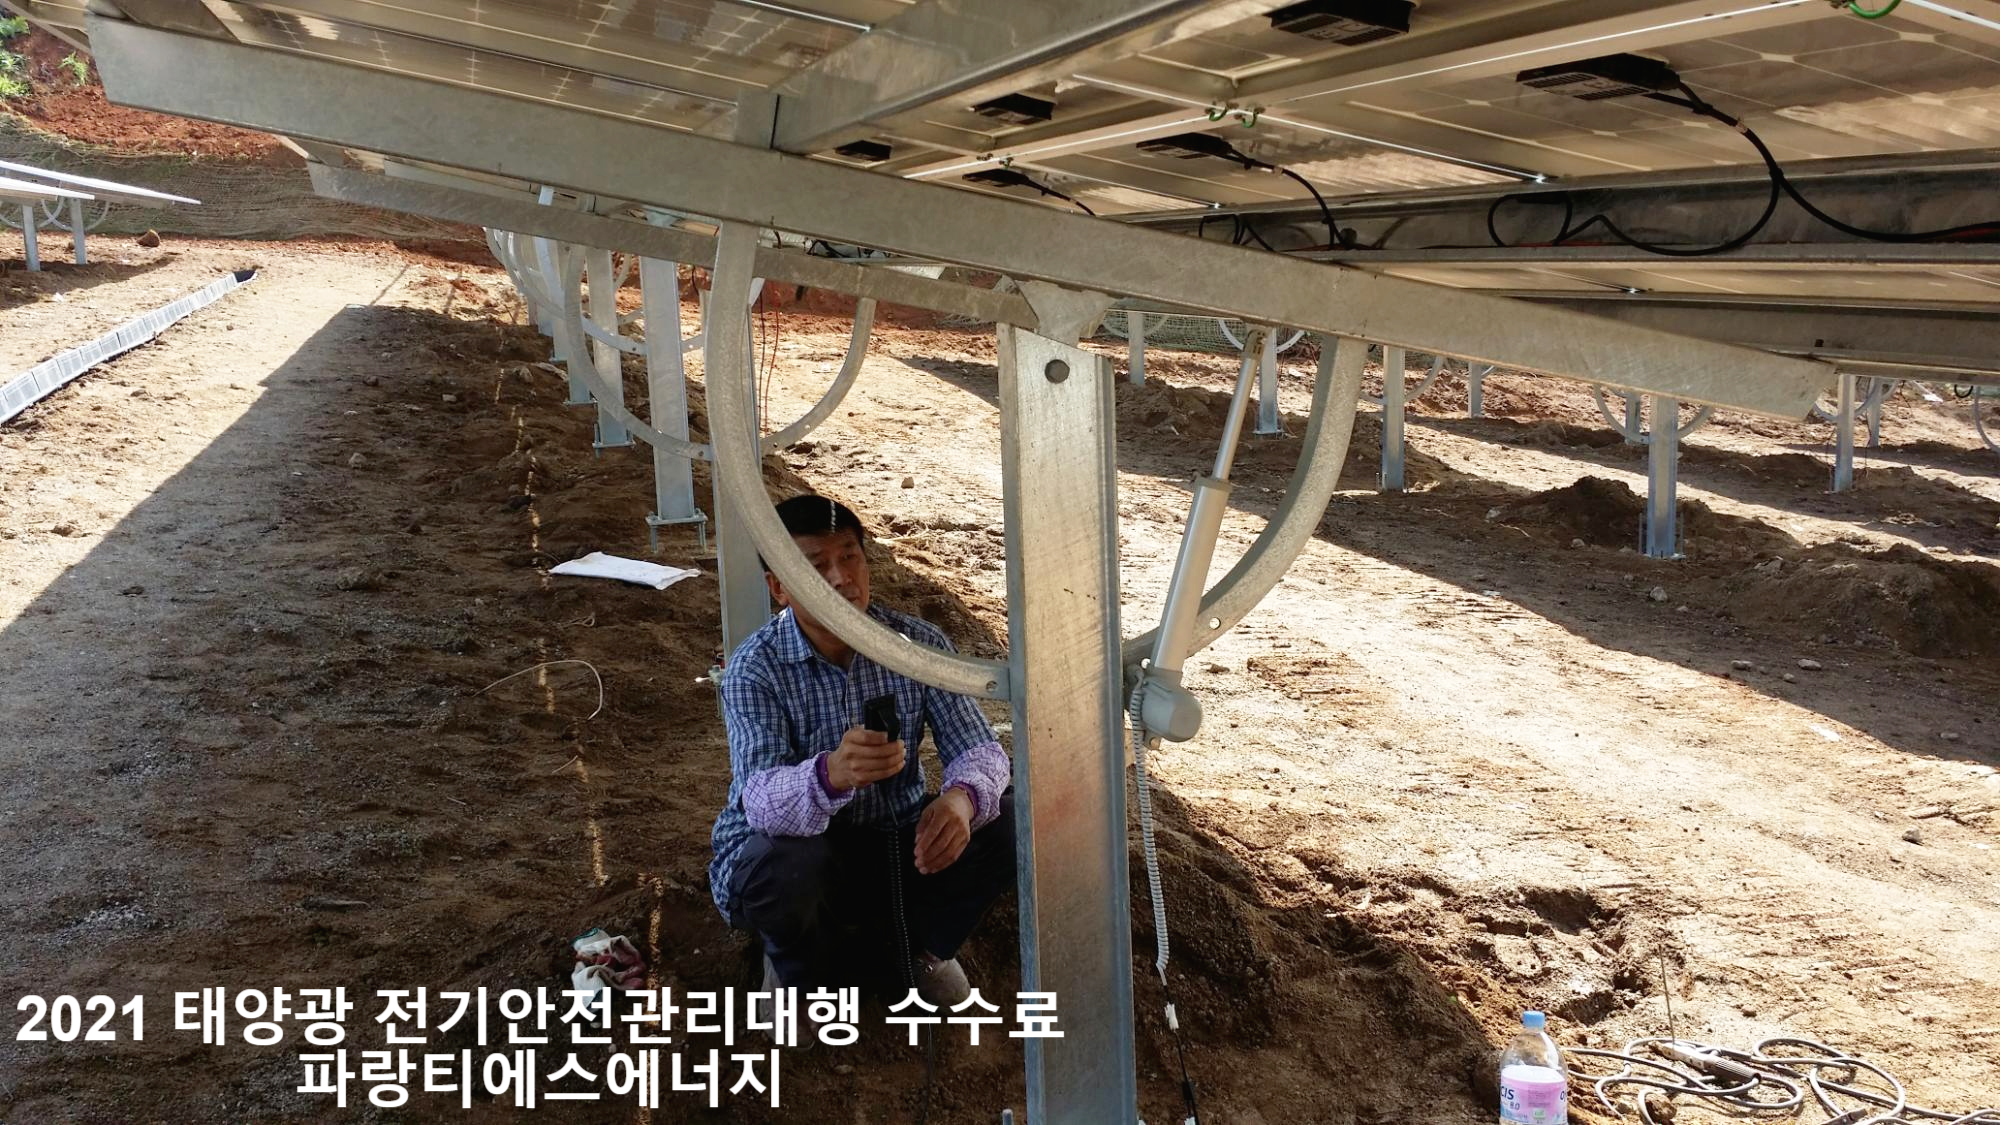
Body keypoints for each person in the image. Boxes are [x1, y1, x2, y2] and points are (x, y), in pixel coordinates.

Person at [708, 495, 1015, 1005]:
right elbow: (758, 800)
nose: (840, 578)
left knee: (1011, 818)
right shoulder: (755, 669)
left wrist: (962, 799)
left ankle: (924, 952)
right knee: (784, 865)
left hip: (898, 843)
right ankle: (795, 973)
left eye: (849, 556)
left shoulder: (916, 644)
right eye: (815, 566)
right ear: (779, 587)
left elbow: (980, 748)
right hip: (809, 854)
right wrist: (829, 775)